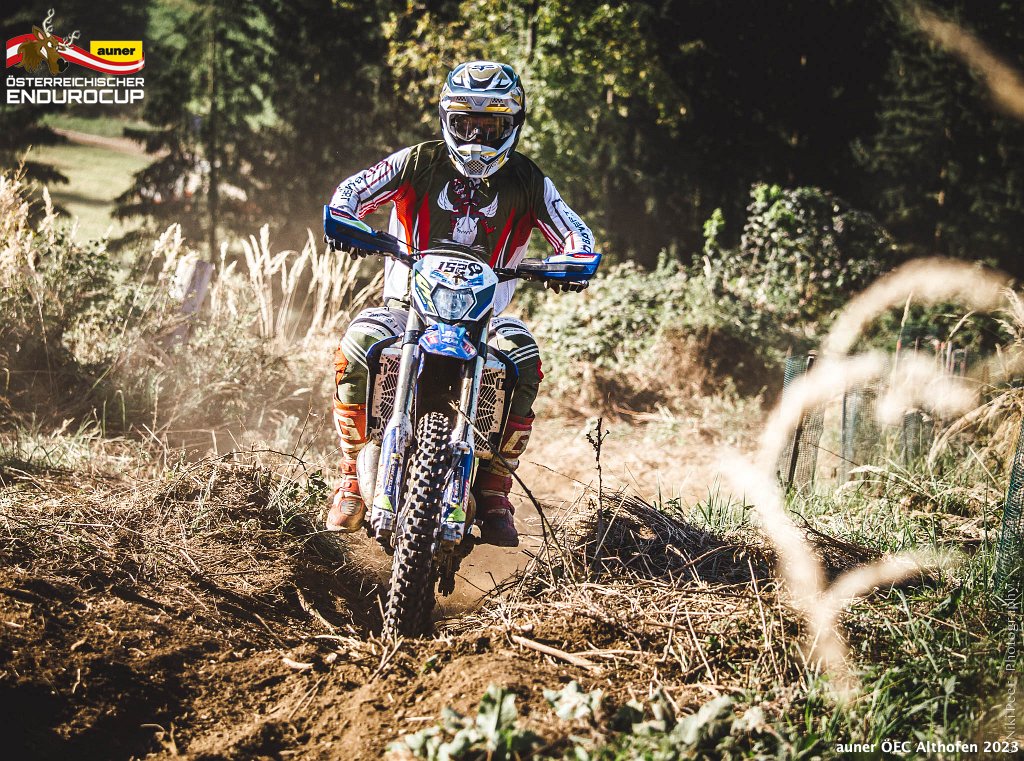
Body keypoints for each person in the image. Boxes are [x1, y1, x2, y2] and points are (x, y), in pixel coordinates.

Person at [326, 60, 596, 546]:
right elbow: (355, 188)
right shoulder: (417, 161)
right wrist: (345, 217)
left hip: (485, 318)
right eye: (465, 124)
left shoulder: (529, 180)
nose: (476, 137)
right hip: (407, 308)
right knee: (359, 342)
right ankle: (350, 477)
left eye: (490, 127)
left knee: (524, 358)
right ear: (447, 120)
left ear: (513, 125)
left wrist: (575, 260)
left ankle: (494, 488)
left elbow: (573, 228)